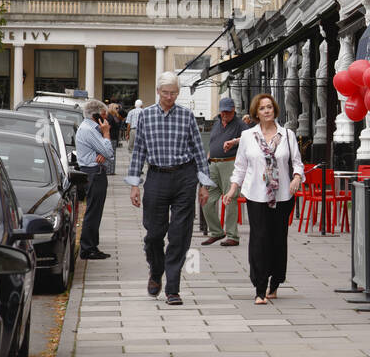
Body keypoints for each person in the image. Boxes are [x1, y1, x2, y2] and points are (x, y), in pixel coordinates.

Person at [127, 71, 214, 306]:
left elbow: (198, 151)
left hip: (184, 176)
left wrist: (204, 185)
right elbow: (139, 151)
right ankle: (156, 271)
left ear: (178, 93)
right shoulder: (145, 116)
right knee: (154, 234)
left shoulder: (186, 116)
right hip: (156, 176)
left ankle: (172, 288)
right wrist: (135, 184)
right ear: (158, 92)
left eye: (173, 93)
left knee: (180, 234)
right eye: (165, 93)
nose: (169, 97)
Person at [223, 93, 304, 304]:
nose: (267, 111)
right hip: (256, 195)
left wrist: (296, 177)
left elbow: (297, 163)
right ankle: (259, 287)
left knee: (278, 239)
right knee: (259, 239)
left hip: (283, 195)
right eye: (262, 108)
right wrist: (232, 190)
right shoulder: (249, 136)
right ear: (256, 113)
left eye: (269, 107)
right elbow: (241, 167)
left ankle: (275, 283)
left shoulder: (287, 135)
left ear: (275, 109)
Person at [202, 96, 246, 246]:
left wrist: (234, 142)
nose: (226, 115)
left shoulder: (240, 124)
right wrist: (209, 155)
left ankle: (233, 236)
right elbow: (213, 141)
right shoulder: (216, 123)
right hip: (213, 164)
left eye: (229, 112)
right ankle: (216, 232)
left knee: (230, 199)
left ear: (234, 110)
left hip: (230, 163)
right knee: (206, 198)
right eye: (223, 112)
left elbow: (249, 139)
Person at [75, 99, 114, 260]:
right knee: (93, 211)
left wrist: (103, 152)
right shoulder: (89, 130)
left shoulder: (89, 128)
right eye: (104, 115)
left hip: (94, 171)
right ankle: (88, 247)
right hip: (93, 173)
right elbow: (109, 152)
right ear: (96, 115)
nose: (106, 119)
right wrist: (106, 134)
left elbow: (105, 153)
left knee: (95, 211)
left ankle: (92, 245)